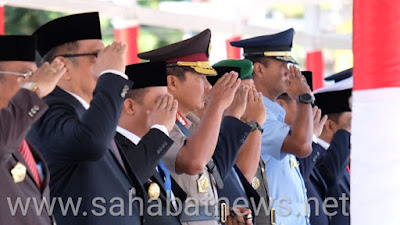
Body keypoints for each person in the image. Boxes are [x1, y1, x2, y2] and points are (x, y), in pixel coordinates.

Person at [27, 12, 143, 225]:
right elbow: (91, 142)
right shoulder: (47, 109)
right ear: (63, 67)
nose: (108, 60)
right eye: (98, 55)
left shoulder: (84, 111)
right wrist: (112, 75)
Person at [138, 29, 253, 225]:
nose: (209, 87)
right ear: (172, 82)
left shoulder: (189, 122)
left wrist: (221, 214)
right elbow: (193, 162)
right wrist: (217, 104)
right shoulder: (157, 125)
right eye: (201, 78)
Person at [231, 28, 314, 225]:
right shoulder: (256, 114)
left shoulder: (275, 114)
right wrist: (303, 98)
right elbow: (302, 146)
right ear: (259, 70)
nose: (290, 72)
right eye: (284, 65)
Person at [0, 35, 66, 225]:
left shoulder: (18, 135)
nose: (35, 82)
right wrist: (33, 89)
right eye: (27, 76)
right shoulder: (8, 133)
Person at [115, 61, 184, 225]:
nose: (169, 111)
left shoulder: (146, 149)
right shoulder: (114, 148)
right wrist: (160, 129)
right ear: (130, 106)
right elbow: (124, 181)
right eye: (161, 103)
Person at [211, 59, 268, 225]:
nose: (251, 99)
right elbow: (245, 174)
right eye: (244, 92)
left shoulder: (242, 132)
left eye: (253, 91)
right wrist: (255, 124)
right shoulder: (216, 132)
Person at [313, 71, 352, 225]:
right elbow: (331, 176)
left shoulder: (341, 156)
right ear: (329, 125)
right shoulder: (317, 156)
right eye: (350, 122)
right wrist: (344, 134)